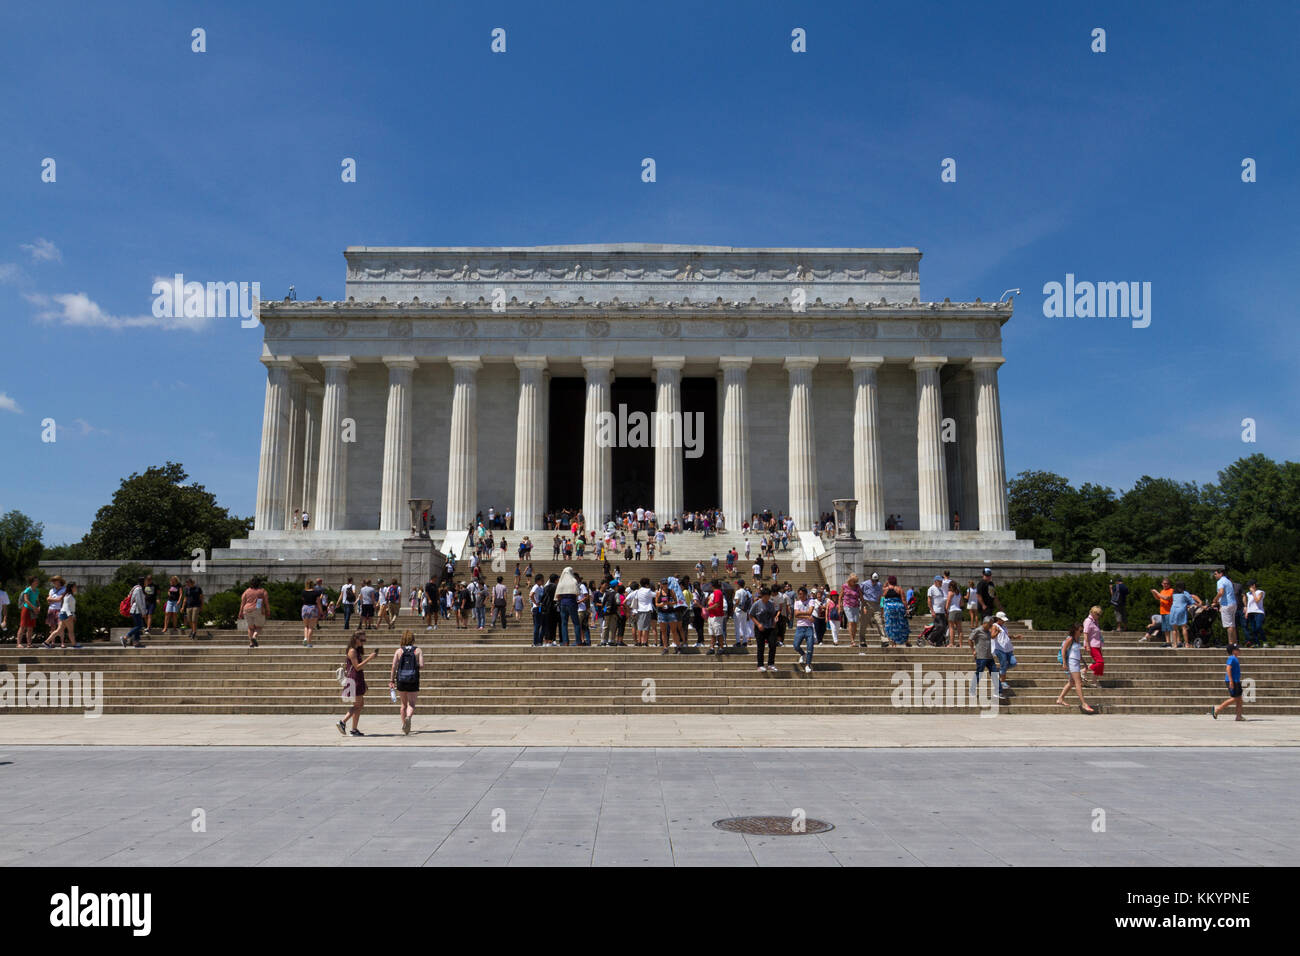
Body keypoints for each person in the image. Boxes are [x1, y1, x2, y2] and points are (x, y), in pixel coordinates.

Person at [337, 631, 376, 736]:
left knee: (359, 704)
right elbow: (357, 667)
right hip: (354, 680)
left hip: (358, 679)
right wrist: (370, 658)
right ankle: (342, 722)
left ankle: (354, 729)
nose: (363, 642)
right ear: (356, 639)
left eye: (365, 640)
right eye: (362, 640)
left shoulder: (356, 651)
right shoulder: (352, 651)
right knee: (357, 705)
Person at [1055, 623, 1097, 713]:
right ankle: (1083, 703)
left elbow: (1078, 653)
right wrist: (1064, 663)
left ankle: (1060, 699)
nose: (1082, 632)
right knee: (1078, 682)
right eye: (1081, 631)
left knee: (1071, 682)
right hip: (1071, 663)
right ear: (1075, 630)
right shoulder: (1070, 639)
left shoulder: (1077, 639)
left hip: (1076, 662)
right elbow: (1063, 650)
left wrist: (1084, 663)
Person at [389, 629, 423, 735]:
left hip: (401, 679)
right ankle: (408, 717)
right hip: (413, 679)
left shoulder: (399, 651)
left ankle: (404, 724)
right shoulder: (418, 650)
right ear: (413, 639)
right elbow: (421, 665)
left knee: (403, 705)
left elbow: (394, 666)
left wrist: (391, 680)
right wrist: (414, 666)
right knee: (411, 704)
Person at [969, 617, 1004, 701]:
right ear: (985, 623)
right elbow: (970, 639)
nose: (991, 626)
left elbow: (991, 637)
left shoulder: (988, 631)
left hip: (989, 657)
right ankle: (972, 690)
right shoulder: (978, 630)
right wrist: (973, 650)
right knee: (979, 674)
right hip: (981, 657)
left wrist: (997, 633)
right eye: (990, 624)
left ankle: (998, 692)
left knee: (995, 673)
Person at [1210, 644, 1245, 721]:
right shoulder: (1231, 658)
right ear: (1233, 651)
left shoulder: (1235, 658)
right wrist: (1231, 681)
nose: (1239, 650)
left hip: (1236, 681)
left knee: (1239, 698)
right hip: (1232, 681)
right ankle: (1217, 709)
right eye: (1237, 649)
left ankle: (1239, 716)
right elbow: (1228, 669)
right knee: (1235, 698)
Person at [750, 585, 779, 672]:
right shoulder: (756, 604)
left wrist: (774, 620)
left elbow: (773, 615)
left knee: (773, 645)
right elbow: (751, 615)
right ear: (762, 596)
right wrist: (758, 624)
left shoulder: (771, 604)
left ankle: (771, 664)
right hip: (760, 628)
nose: (766, 598)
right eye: (765, 596)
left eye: (768, 596)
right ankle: (760, 665)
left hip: (770, 627)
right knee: (761, 647)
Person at [46, 582, 80, 648]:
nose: (76, 588)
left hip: (63, 613)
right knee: (71, 631)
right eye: (75, 587)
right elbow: (66, 606)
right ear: (72, 588)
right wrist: (70, 615)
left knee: (58, 630)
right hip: (66, 614)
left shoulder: (67, 595)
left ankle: (46, 642)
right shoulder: (69, 596)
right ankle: (74, 644)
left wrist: (73, 615)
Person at [237, 577, 269, 648]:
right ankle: (254, 637)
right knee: (259, 627)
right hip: (258, 609)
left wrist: (240, 612)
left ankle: (251, 643)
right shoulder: (262, 591)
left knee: (250, 627)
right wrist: (268, 611)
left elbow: (242, 602)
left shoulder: (246, 591)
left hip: (247, 609)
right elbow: (266, 602)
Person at [1168, 583, 1202, 650]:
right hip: (1181, 610)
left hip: (1173, 610)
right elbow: (1192, 601)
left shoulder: (1174, 594)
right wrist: (1200, 605)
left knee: (1174, 628)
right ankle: (1186, 644)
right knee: (1184, 627)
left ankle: (1175, 644)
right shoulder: (1185, 593)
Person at [792, 586, 815, 673]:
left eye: (802, 594)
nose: (800, 596)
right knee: (796, 645)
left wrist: (801, 614)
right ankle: (803, 654)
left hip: (809, 627)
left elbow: (810, 612)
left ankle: (808, 664)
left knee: (810, 647)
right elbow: (796, 614)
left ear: (806, 594)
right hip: (800, 627)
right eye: (799, 594)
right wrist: (807, 616)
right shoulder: (797, 602)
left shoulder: (811, 601)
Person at [990, 611, 1015, 692]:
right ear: (998, 619)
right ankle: (1003, 681)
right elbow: (992, 636)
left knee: (1013, 662)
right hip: (999, 648)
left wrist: (1015, 637)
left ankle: (1000, 670)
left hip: (1008, 648)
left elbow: (1006, 636)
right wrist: (997, 632)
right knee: (1004, 664)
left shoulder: (1004, 627)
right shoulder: (995, 626)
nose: (1004, 621)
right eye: (1002, 620)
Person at [1213, 569, 1239, 645]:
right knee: (1232, 625)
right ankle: (1235, 643)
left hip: (1226, 604)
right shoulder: (1228, 581)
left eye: (1215, 574)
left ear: (1220, 574)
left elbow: (1221, 592)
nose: (1214, 576)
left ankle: (1230, 643)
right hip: (1233, 603)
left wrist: (1215, 599)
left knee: (1228, 625)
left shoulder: (1220, 581)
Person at [881, 575, 908, 647]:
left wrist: (882, 611)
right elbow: (904, 600)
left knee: (890, 625)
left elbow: (882, 601)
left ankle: (893, 643)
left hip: (888, 608)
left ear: (889, 581)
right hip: (899, 608)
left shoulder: (885, 590)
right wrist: (907, 609)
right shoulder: (899, 589)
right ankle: (906, 640)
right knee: (901, 624)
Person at [16, 576, 41, 648]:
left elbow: (37, 600)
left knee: (31, 627)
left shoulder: (37, 590)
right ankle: (18, 644)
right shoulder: (27, 590)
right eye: (36, 580)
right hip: (26, 609)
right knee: (23, 626)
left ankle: (29, 643)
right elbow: (26, 600)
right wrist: (34, 608)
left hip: (33, 610)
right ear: (32, 582)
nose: (37, 582)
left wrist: (39, 607)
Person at [1083, 605, 1105, 684]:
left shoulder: (1095, 622)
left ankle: (1094, 682)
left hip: (1097, 645)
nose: (1099, 616)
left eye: (1099, 614)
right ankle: (1083, 670)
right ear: (1092, 613)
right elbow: (1085, 633)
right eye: (1097, 614)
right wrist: (1087, 645)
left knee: (1100, 665)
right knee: (1100, 662)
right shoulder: (1088, 621)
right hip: (1091, 645)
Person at [863, 572, 884, 647]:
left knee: (879, 622)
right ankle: (862, 640)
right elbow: (860, 594)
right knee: (864, 624)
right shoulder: (864, 584)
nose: (875, 582)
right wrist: (863, 606)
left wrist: (880, 604)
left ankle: (883, 639)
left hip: (876, 605)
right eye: (873, 580)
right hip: (867, 604)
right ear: (870, 579)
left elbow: (881, 594)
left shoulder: (879, 585)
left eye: (876, 580)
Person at [1151, 578, 1174, 645]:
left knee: (1171, 628)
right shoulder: (1162, 591)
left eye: (1167, 584)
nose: (1165, 585)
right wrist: (1154, 593)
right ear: (1162, 584)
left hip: (1169, 612)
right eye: (1164, 583)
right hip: (1163, 612)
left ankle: (1174, 641)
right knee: (1165, 628)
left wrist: (1156, 592)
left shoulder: (1171, 590)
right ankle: (1168, 642)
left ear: (1169, 584)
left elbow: (1166, 598)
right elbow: (1158, 598)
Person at [926, 574, 948, 646]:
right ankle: (931, 638)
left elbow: (942, 601)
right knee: (940, 626)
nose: (941, 583)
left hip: (942, 611)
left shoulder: (940, 590)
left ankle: (939, 642)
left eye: (941, 582)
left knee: (944, 627)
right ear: (936, 581)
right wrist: (932, 611)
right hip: (936, 611)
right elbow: (929, 600)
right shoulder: (931, 589)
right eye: (940, 582)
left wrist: (945, 610)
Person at [841, 573, 862, 646]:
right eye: (853, 581)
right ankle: (852, 640)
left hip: (856, 606)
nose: (854, 583)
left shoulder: (857, 586)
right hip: (847, 606)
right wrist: (840, 606)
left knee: (855, 623)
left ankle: (853, 639)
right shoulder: (844, 586)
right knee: (851, 621)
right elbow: (840, 596)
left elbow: (861, 597)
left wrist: (864, 606)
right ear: (850, 580)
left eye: (855, 581)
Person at [301, 579, 323, 647]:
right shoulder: (316, 592)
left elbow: (303, 599)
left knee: (306, 626)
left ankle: (305, 638)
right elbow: (318, 603)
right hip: (313, 608)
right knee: (311, 627)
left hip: (305, 608)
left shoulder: (303, 592)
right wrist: (321, 612)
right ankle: (308, 643)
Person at [1244, 581, 1265, 647]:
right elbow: (1248, 603)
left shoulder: (1260, 592)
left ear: (1254, 585)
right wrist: (1247, 612)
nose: (1249, 587)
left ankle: (1264, 640)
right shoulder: (1248, 594)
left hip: (1259, 612)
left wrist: (1253, 592)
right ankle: (1257, 643)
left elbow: (1257, 600)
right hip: (1250, 612)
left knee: (1258, 626)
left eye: (1250, 586)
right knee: (1253, 628)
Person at [946, 580, 965, 646]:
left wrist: (946, 610)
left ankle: (951, 643)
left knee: (951, 628)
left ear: (951, 586)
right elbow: (962, 603)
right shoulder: (959, 593)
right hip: (959, 610)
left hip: (952, 610)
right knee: (959, 629)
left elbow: (948, 602)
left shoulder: (950, 593)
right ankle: (960, 644)